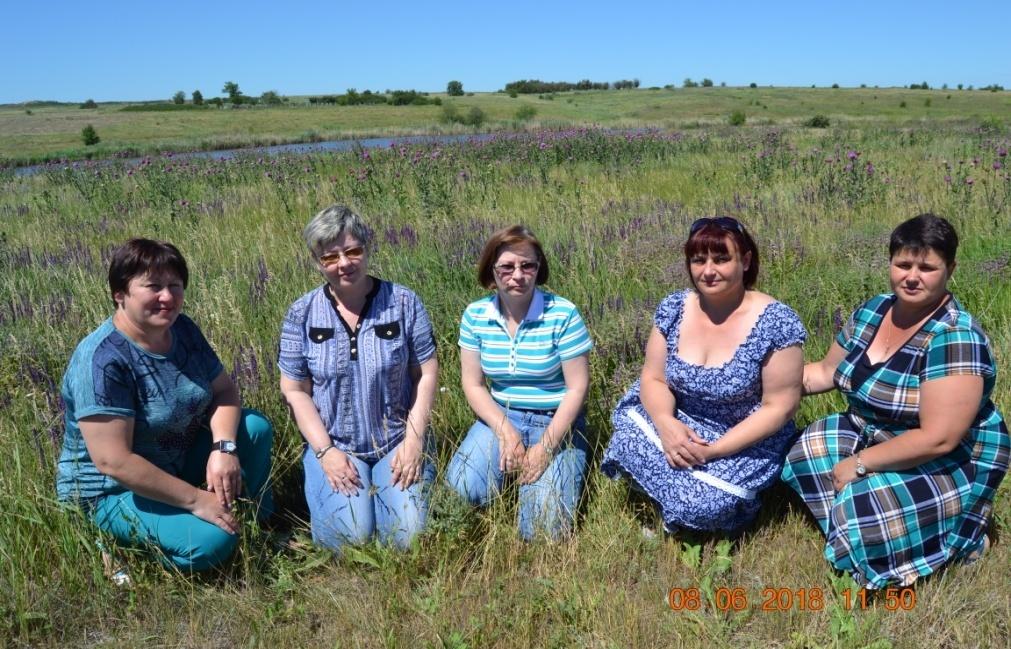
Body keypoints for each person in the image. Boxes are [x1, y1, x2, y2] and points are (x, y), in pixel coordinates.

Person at [782, 213, 1009, 588]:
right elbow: (823, 372)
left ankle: (961, 540)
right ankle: (877, 535)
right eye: (903, 264)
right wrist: (759, 383)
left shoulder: (954, 336)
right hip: (876, 432)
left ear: (950, 269)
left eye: (927, 267)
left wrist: (858, 464)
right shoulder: (874, 310)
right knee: (804, 452)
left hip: (948, 459)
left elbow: (939, 438)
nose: (912, 276)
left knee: (860, 507)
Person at [57, 238, 274, 572]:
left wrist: (224, 448)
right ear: (120, 294)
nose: (168, 297)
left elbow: (225, 392)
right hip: (111, 492)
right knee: (210, 542)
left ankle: (253, 525)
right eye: (153, 286)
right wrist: (196, 500)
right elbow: (113, 462)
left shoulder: (181, 329)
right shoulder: (102, 361)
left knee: (254, 428)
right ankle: (121, 551)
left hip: (174, 460)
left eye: (175, 285)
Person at [601, 216, 805, 532]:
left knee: (703, 506)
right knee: (626, 438)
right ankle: (667, 494)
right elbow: (653, 378)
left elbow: (779, 408)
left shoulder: (776, 322)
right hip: (682, 419)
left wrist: (715, 450)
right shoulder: (674, 308)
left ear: (746, 260)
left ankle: (718, 508)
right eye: (699, 260)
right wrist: (666, 424)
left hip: (742, 436)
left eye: (721, 259)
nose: (708, 271)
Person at [279, 204, 438, 551]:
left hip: (396, 442)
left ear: (367, 249)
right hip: (337, 445)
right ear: (317, 261)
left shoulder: (404, 302)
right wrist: (326, 453)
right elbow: (294, 390)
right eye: (330, 257)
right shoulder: (301, 313)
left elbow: (426, 373)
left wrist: (414, 441)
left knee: (408, 538)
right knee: (349, 539)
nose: (344, 264)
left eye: (353, 251)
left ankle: (388, 506)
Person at [446, 225, 593, 540]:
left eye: (528, 265)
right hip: (503, 414)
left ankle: (540, 479)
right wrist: (506, 432)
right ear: (492, 270)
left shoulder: (563, 314)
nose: (518, 275)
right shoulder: (476, 315)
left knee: (542, 530)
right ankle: (507, 476)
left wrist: (544, 447)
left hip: (557, 422)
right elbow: (473, 385)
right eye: (507, 267)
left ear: (539, 269)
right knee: (460, 492)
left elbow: (577, 388)